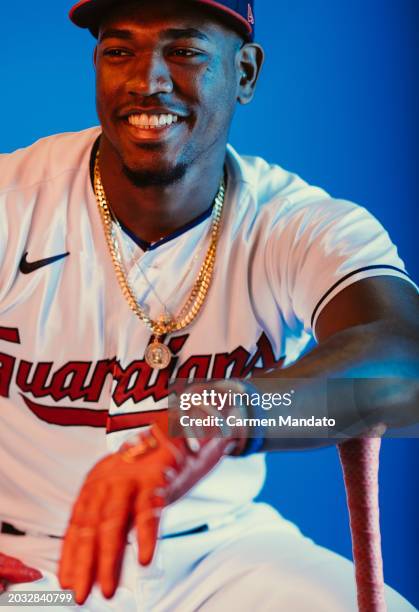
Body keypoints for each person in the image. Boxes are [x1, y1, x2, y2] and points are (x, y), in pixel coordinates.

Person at [0, 0, 418, 610]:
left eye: (185, 51)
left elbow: (405, 371)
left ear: (245, 73)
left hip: (223, 554)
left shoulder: (293, 224)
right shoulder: (15, 203)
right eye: (120, 51)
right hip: (40, 571)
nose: (148, 81)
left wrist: (218, 415)